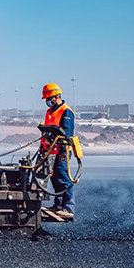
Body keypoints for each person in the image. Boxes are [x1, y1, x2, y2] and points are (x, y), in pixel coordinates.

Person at [40, 83, 76, 219]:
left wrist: (62, 152)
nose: (47, 101)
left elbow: (67, 134)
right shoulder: (50, 111)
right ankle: (58, 205)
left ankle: (68, 208)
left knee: (63, 177)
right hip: (50, 150)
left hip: (61, 150)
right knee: (54, 178)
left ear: (55, 97)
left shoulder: (66, 111)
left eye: (48, 99)